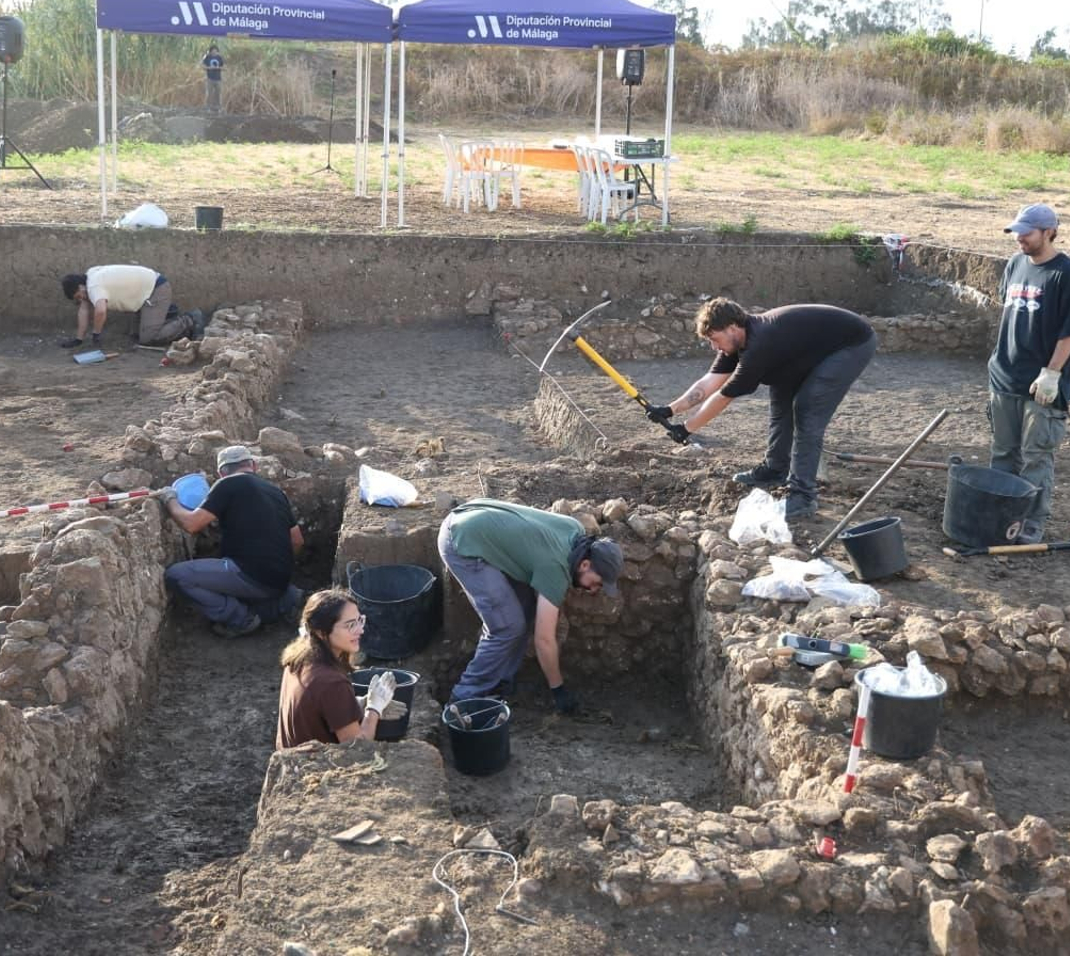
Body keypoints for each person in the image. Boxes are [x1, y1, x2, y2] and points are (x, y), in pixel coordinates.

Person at [647, 298, 877, 520]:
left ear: (732, 328)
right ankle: (774, 470)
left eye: (715, 339)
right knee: (781, 407)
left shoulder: (759, 345)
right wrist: (669, 410)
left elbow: (724, 395)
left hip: (851, 345)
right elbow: (709, 381)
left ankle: (803, 496)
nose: (714, 346)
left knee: (807, 411)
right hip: (802, 353)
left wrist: (687, 428)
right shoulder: (736, 343)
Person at [438, 498, 624, 711]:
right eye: (597, 583)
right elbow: (544, 640)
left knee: (524, 611)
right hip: (460, 541)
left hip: (473, 519)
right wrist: (558, 690)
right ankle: (462, 700)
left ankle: (498, 685)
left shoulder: (575, 531)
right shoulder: (556, 568)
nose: (593, 590)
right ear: (584, 564)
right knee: (506, 626)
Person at [988, 203, 1070, 543]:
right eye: (1017, 232)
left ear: (1049, 232)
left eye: (1026, 233)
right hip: (1004, 376)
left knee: (1035, 456)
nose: (1019, 239)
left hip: (1041, 383)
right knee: (1003, 452)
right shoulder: (1015, 264)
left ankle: (1032, 522)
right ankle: (1000, 517)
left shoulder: (1067, 274)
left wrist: (1051, 373)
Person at [162, 444, 304, 637]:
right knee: (248, 579)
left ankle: (240, 618)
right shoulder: (276, 492)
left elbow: (191, 524)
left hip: (250, 575)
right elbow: (297, 541)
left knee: (176, 575)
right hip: (280, 581)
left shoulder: (228, 483)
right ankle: (284, 600)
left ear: (222, 472)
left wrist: (169, 499)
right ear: (253, 466)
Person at [276, 590, 407, 749]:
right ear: (321, 632)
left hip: (291, 760)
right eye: (350, 625)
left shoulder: (297, 658)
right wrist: (373, 710)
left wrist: (356, 705)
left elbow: (316, 709)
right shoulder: (332, 683)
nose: (360, 630)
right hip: (316, 769)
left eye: (360, 620)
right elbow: (357, 749)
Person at [59, 264, 203, 348]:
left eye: (79, 296)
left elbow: (101, 311)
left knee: (148, 338)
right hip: (146, 292)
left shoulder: (93, 286)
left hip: (156, 290)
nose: (82, 299)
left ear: (80, 286)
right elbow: (84, 310)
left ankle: (190, 319)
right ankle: (166, 313)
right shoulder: (90, 275)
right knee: (135, 335)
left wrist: (96, 334)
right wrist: (78, 339)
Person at [200, 43, 224, 114]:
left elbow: (224, 67)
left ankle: (218, 108)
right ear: (210, 51)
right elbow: (203, 66)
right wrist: (209, 68)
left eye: (215, 51)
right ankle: (208, 108)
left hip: (218, 79)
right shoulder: (208, 57)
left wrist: (218, 68)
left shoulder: (219, 58)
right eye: (213, 51)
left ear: (217, 51)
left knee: (218, 94)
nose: (214, 52)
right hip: (210, 78)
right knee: (209, 94)